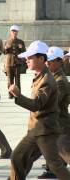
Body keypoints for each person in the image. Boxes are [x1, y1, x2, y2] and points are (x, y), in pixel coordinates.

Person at [8, 41, 70, 180]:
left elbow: (37, 104)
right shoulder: (41, 76)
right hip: (37, 128)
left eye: (30, 58)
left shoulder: (48, 79)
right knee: (18, 157)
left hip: (45, 130)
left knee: (55, 165)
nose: (27, 60)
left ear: (41, 59)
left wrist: (18, 95)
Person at [37, 46, 70, 179]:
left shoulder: (60, 81)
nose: (47, 63)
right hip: (54, 120)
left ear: (59, 61)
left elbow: (54, 103)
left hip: (60, 121)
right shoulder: (52, 77)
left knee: (63, 149)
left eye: (50, 61)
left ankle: (53, 169)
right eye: (46, 61)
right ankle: (51, 169)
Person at [4, 25, 26, 99]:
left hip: (17, 63)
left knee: (17, 80)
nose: (14, 32)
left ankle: (17, 94)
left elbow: (24, 52)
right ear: (10, 32)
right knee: (10, 80)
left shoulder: (21, 42)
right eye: (13, 31)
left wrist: (21, 48)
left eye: (15, 31)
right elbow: (4, 52)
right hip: (9, 63)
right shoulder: (7, 41)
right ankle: (10, 94)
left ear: (17, 32)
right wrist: (6, 48)